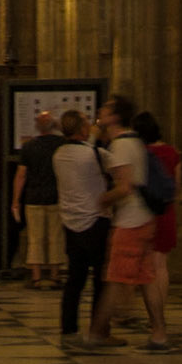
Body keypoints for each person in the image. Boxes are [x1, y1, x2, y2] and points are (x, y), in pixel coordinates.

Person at [83, 95, 169, 352]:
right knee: (147, 278)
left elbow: (124, 187)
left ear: (115, 116)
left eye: (106, 109)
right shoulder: (134, 141)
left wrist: (102, 200)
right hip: (144, 218)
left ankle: (98, 332)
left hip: (130, 222)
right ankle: (159, 333)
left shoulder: (121, 145)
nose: (100, 111)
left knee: (114, 278)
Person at [53, 107, 113, 349]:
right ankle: (99, 330)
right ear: (82, 129)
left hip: (70, 221)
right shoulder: (94, 155)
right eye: (87, 123)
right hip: (96, 219)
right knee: (101, 279)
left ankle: (68, 328)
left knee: (75, 279)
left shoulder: (58, 154)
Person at [12, 108, 65, 286]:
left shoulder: (29, 146)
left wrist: (15, 200)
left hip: (33, 197)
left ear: (37, 127)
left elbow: (21, 175)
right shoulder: (61, 144)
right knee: (55, 237)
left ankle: (36, 277)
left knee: (35, 237)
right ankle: (55, 276)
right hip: (56, 196)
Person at [135, 110, 181, 309]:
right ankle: (160, 309)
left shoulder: (142, 153)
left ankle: (152, 311)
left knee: (146, 265)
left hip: (145, 211)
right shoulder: (172, 152)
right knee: (161, 265)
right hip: (166, 210)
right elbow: (176, 186)